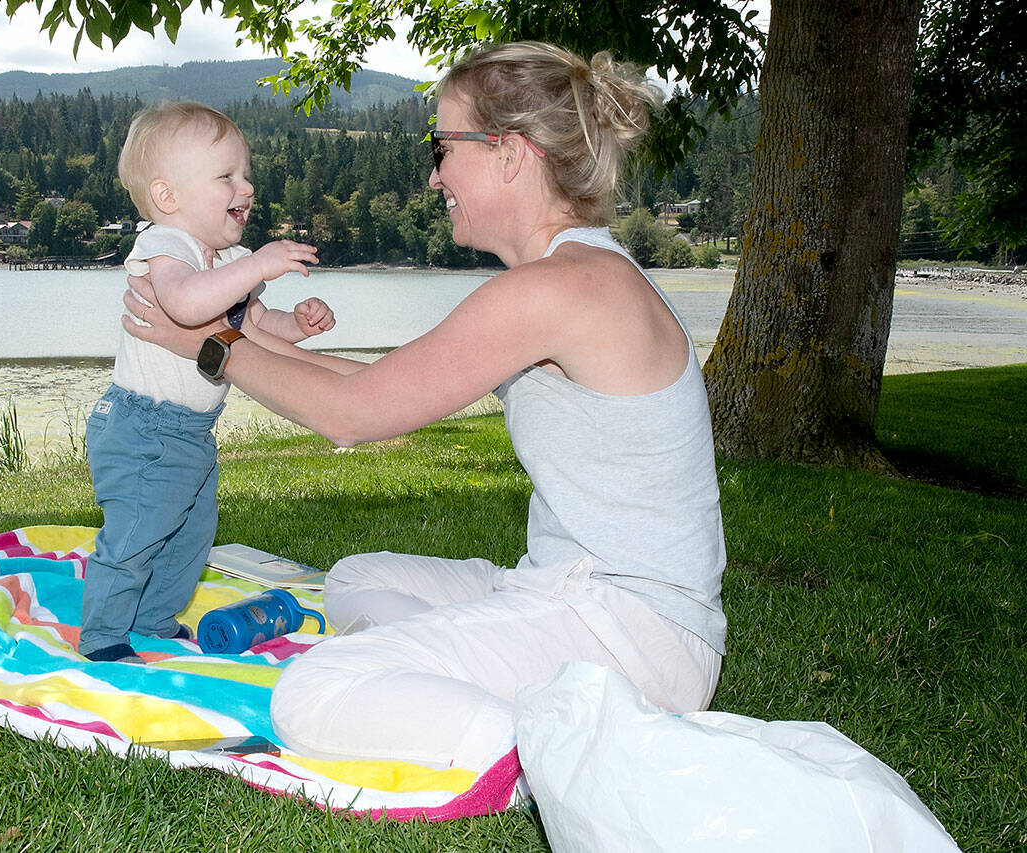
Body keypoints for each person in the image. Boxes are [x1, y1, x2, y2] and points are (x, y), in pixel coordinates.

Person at [123, 42, 726, 770]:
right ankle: (473, 674)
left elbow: (353, 413)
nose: (435, 173)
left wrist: (210, 348)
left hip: (630, 634)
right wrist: (234, 330)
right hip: (570, 591)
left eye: (442, 147)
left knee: (313, 691)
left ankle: (558, 752)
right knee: (354, 578)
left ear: (509, 153)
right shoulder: (575, 273)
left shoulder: (564, 288)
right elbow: (378, 383)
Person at [80, 101, 334, 664]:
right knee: (139, 532)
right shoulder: (167, 245)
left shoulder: (230, 259)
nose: (246, 187)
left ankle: (153, 618)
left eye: (246, 175)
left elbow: (248, 327)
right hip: (143, 426)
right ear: (169, 198)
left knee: (190, 535)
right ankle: (102, 636)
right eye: (227, 177)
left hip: (191, 431)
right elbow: (187, 305)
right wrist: (258, 267)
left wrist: (296, 324)